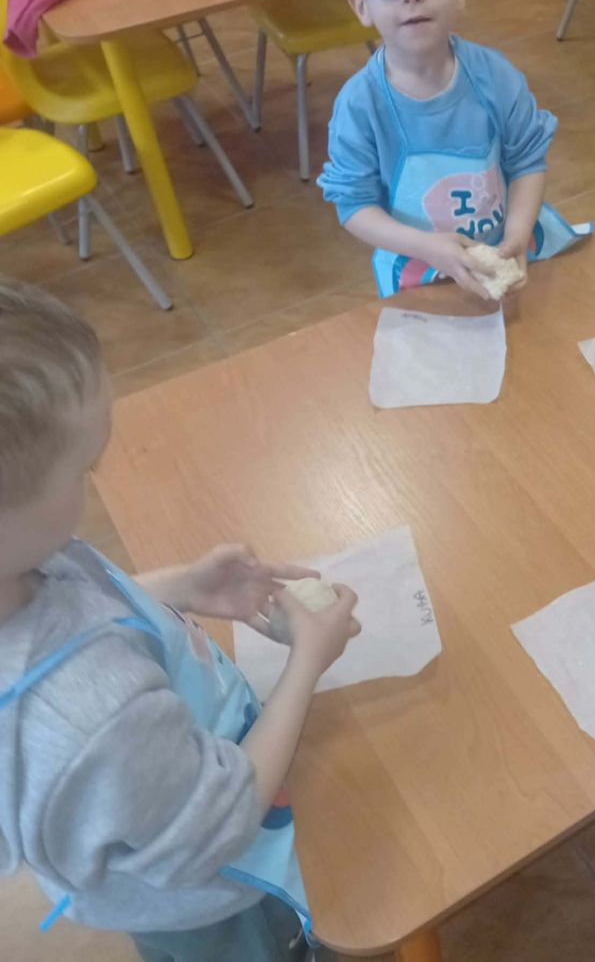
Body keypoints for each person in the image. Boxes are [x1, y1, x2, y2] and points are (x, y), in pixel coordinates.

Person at [0, 279, 361, 962]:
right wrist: (307, 662)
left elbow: (73, 607)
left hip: (157, 809)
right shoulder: (92, 720)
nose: (96, 479)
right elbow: (224, 819)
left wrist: (183, 587)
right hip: (219, 897)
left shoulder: (19, 562)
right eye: (84, 470)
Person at [318, 0, 589, 300]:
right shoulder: (360, 106)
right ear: (362, 6)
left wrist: (517, 234)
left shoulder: (496, 78)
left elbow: (527, 162)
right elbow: (355, 206)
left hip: (507, 251)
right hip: (417, 272)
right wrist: (428, 247)